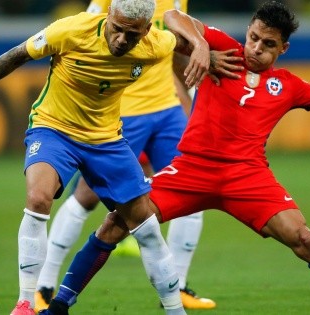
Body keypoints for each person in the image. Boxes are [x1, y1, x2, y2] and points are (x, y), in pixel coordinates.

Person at [41, 1, 310, 314]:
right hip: (189, 171)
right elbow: (174, 16)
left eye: (268, 44)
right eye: (254, 37)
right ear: (247, 31)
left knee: (305, 239)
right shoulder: (222, 50)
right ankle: (59, 305)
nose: (256, 48)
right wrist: (200, 46)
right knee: (115, 223)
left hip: (247, 178)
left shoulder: (288, 86)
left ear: (284, 49)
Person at [0, 0, 212, 314]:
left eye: (131, 35)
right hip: (54, 129)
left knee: (146, 227)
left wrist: (202, 47)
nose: (121, 40)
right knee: (39, 199)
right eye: (117, 29)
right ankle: (26, 302)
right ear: (109, 16)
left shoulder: (156, 44)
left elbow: (188, 35)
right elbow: (17, 55)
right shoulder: (71, 29)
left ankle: (176, 310)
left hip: (106, 139)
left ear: (147, 30)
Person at [34, 0, 217, 311]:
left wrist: (186, 96)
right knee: (86, 196)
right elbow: (86, 39)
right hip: (124, 111)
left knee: (193, 187)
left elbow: (170, 51)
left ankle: (179, 285)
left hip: (167, 109)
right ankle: (44, 285)